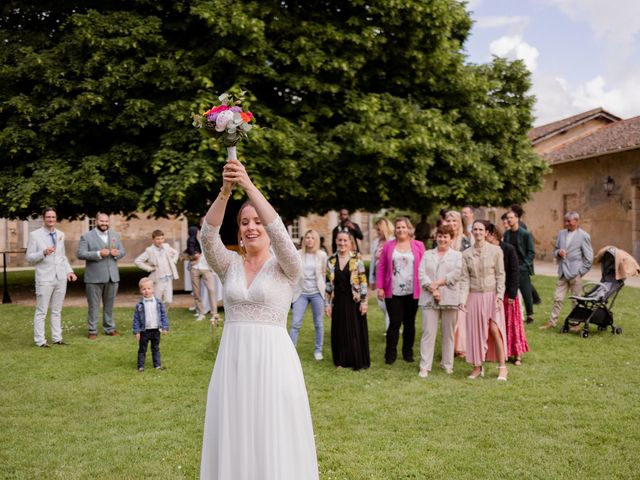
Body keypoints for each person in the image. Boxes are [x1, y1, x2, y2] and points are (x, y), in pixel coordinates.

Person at [199, 159, 318, 479]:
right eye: (244, 222)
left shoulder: (287, 266)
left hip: (273, 361)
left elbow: (280, 233)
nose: (251, 227)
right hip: (233, 361)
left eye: (257, 222)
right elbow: (207, 237)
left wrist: (249, 185)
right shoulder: (229, 266)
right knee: (235, 427)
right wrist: (226, 192)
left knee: (272, 429)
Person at [459, 220, 508, 381]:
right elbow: (465, 279)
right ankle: (477, 367)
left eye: (481, 229)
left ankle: (502, 367)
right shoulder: (466, 254)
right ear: (472, 232)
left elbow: (500, 275)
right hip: (474, 296)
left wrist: (500, 296)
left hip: (492, 295)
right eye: (475, 229)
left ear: (486, 232)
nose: (478, 232)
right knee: (475, 332)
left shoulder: (496, 251)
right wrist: (462, 300)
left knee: (495, 330)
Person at [26, 207, 77, 347]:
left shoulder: (60, 234)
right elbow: (29, 258)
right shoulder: (35, 235)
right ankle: (40, 341)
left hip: (60, 278)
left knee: (57, 310)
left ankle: (57, 338)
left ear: (56, 218)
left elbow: (62, 257)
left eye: (53, 217)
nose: (51, 219)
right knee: (42, 310)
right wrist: (43, 252)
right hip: (44, 278)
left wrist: (69, 272)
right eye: (48, 217)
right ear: (43, 218)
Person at [376, 217, 425, 364]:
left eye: (404, 227)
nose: (401, 230)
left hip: (413, 291)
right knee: (395, 322)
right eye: (398, 227)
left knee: (410, 323)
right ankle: (390, 355)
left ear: (409, 229)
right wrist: (380, 287)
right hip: (393, 290)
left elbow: (424, 266)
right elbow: (382, 266)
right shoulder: (388, 246)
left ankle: (407, 353)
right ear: (395, 230)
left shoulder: (419, 245)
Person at [417, 224, 462, 377]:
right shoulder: (427, 254)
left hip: (449, 297)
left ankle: (447, 364)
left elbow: (456, 274)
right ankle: (425, 366)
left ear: (451, 238)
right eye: (440, 236)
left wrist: (438, 283)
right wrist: (433, 289)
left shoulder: (457, 256)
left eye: (445, 236)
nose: (442, 239)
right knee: (428, 332)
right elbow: (421, 274)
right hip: (429, 297)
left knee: (448, 333)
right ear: (436, 237)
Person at [325, 231, 370, 370]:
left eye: (345, 241)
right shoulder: (331, 260)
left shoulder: (357, 259)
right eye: (340, 240)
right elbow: (328, 284)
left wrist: (364, 302)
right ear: (336, 241)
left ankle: (355, 359)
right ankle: (340, 361)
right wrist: (327, 304)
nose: (342, 243)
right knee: (339, 331)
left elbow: (363, 282)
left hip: (354, 300)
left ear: (350, 242)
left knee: (354, 330)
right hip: (338, 301)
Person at [541, 211, 593, 330]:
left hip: (576, 274)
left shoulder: (584, 236)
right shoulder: (561, 233)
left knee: (576, 300)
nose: (567, 223)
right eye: (566, 221)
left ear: (576, 221)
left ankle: (576, 324)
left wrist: (580, 273)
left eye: (569, 221)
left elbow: (589, 258)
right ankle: (551, 322)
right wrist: (558, 252)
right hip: (562, 272)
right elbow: (555, 251)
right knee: (557, 298)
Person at [77, 212, 125, 339]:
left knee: (109, 305)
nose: (104, 224)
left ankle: (109, 328)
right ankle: (92, 330)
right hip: (94, 278)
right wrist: (98, 253)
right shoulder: (86, 236)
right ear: (96, 221)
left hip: (112, 276)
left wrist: (116, 253)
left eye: (106, 221)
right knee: (93, 305)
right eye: (102, 221)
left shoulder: (115, 235)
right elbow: (80, 254)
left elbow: (122, 251)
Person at [487, 224, 529, 365]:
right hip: (492, 293)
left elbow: (514, 272)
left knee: (512, 324)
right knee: (496, 325)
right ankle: (499, 352)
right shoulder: (486, 250)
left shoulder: (508, 249)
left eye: (487, 234)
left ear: (494, 235)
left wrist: (511, 294)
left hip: (508, 294)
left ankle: (517, 354)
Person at [290, 229, 328, 361]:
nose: (309, 240)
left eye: (312, 237)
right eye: (307, 237)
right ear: (304, 240)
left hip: (317, 292)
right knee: (295, 323)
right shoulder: (298, 254)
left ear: (316, 240)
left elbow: (324, 274)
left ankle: (318, 350)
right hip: (301, 292)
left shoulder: (322, 255)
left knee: (318, 323)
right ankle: (291, 350)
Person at [445, 210, 471, 358]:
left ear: (459, 223)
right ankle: (449, 346)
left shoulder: (465, 240)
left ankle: (460, 347)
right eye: (449, 221)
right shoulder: (442, 238)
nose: (451, 224)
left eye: (454, 221)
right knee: (448, 316)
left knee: (460, 316)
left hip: (461, 282)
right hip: (445, 282)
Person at [503, 209, 536, 324]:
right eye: (508, 218)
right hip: (509, 267)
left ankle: (530, 315)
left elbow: (531, 252)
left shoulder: (525, 234)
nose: (509, 220)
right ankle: (511, 314)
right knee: (510, 291)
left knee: (526, 291)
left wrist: (525, 265)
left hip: (522, 267)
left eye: (511, 217)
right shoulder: (506, 234)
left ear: (517, 218)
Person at [134, 229, 179, 307]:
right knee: (157, 299)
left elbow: (176, 253)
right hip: (158, 278)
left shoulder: (166, 246)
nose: (160, 241)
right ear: (153, 239)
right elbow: (137, 261)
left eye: (162, 238)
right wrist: (149, 268)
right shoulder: (149, 250)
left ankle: (162, 316)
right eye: (158, 239)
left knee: (168, 300)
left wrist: (173, 261)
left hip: (168, 277)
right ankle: (156, 316)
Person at [132, 277, 169, 372]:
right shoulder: (139, 305)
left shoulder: (158, 303)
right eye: (144, 289)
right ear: (140, 291)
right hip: (144, 331)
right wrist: (137, 331)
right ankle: (141, 366)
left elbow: (163, 315)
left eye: (149, 288)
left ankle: (157, 365)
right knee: (142, 349)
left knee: (155, 348)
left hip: (156, 330)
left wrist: (165, 327)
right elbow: (136, 319)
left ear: (153, 289)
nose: (146, 291)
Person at [188, 220, 220, 323]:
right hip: (194, 267)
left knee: (211, 290)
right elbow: (188, 252)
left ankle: (214, 314)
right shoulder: (193, 237)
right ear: (201, 224)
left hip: (206, 268)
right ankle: (201, 313)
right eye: (204, 222)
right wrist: (193, 255)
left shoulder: (213, 236)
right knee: (196, 293)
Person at [369, 217, 394, 333]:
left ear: (385, 229)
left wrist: (382, 257)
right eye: (376, 230)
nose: (377, 232)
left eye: (379, 230)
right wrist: (371, 279)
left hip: (391, 278)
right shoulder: (375, 243)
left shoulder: (394, 241)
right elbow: (372, 261)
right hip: (379, 277)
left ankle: (390, 330)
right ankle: (394, 324)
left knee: (389, 307)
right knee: (382, 306)